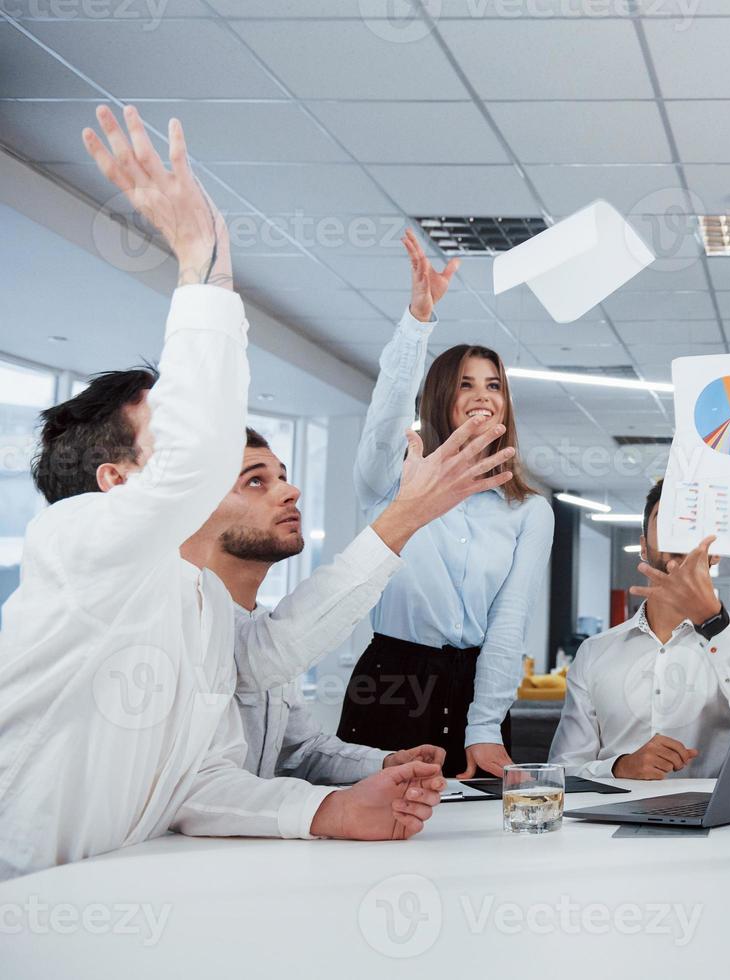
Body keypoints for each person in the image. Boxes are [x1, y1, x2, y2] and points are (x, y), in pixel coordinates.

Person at [0, 107, 443, 879]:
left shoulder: (197, 604)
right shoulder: (73, 543)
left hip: (92, 899)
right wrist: (200, 263)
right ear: (116, 481)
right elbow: (199, 457)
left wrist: (327, 809)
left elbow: (201, 778)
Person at [185, 422, 518, 784]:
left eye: (283, 476)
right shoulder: (184, 618)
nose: (290, 491)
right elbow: (266, 655)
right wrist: (408, 513)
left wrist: (387, 764)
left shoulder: (259, 620)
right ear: (200, 508)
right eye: (255, 481)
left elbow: (301, 753)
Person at [338, 232, 554, 779]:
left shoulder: (529, 511)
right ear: (440, 397)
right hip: (392, 677)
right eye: (465, 384)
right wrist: (417, 321)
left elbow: (509, 623)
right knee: (372, 830)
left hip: (478, 687)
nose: (483, 394)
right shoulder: (394, 475)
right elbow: (387, 413)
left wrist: (483, 726)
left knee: (475, 844)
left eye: (494, 385)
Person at [547, 480, 730, 779]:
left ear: (716, 550)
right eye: (667, 519)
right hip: (608, 818)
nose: (679, 530)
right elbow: (561, 772)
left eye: (690, 523)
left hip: (719, 820)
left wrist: (712, 621)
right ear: (644, 546)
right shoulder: (594, 652)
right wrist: (618, 767)